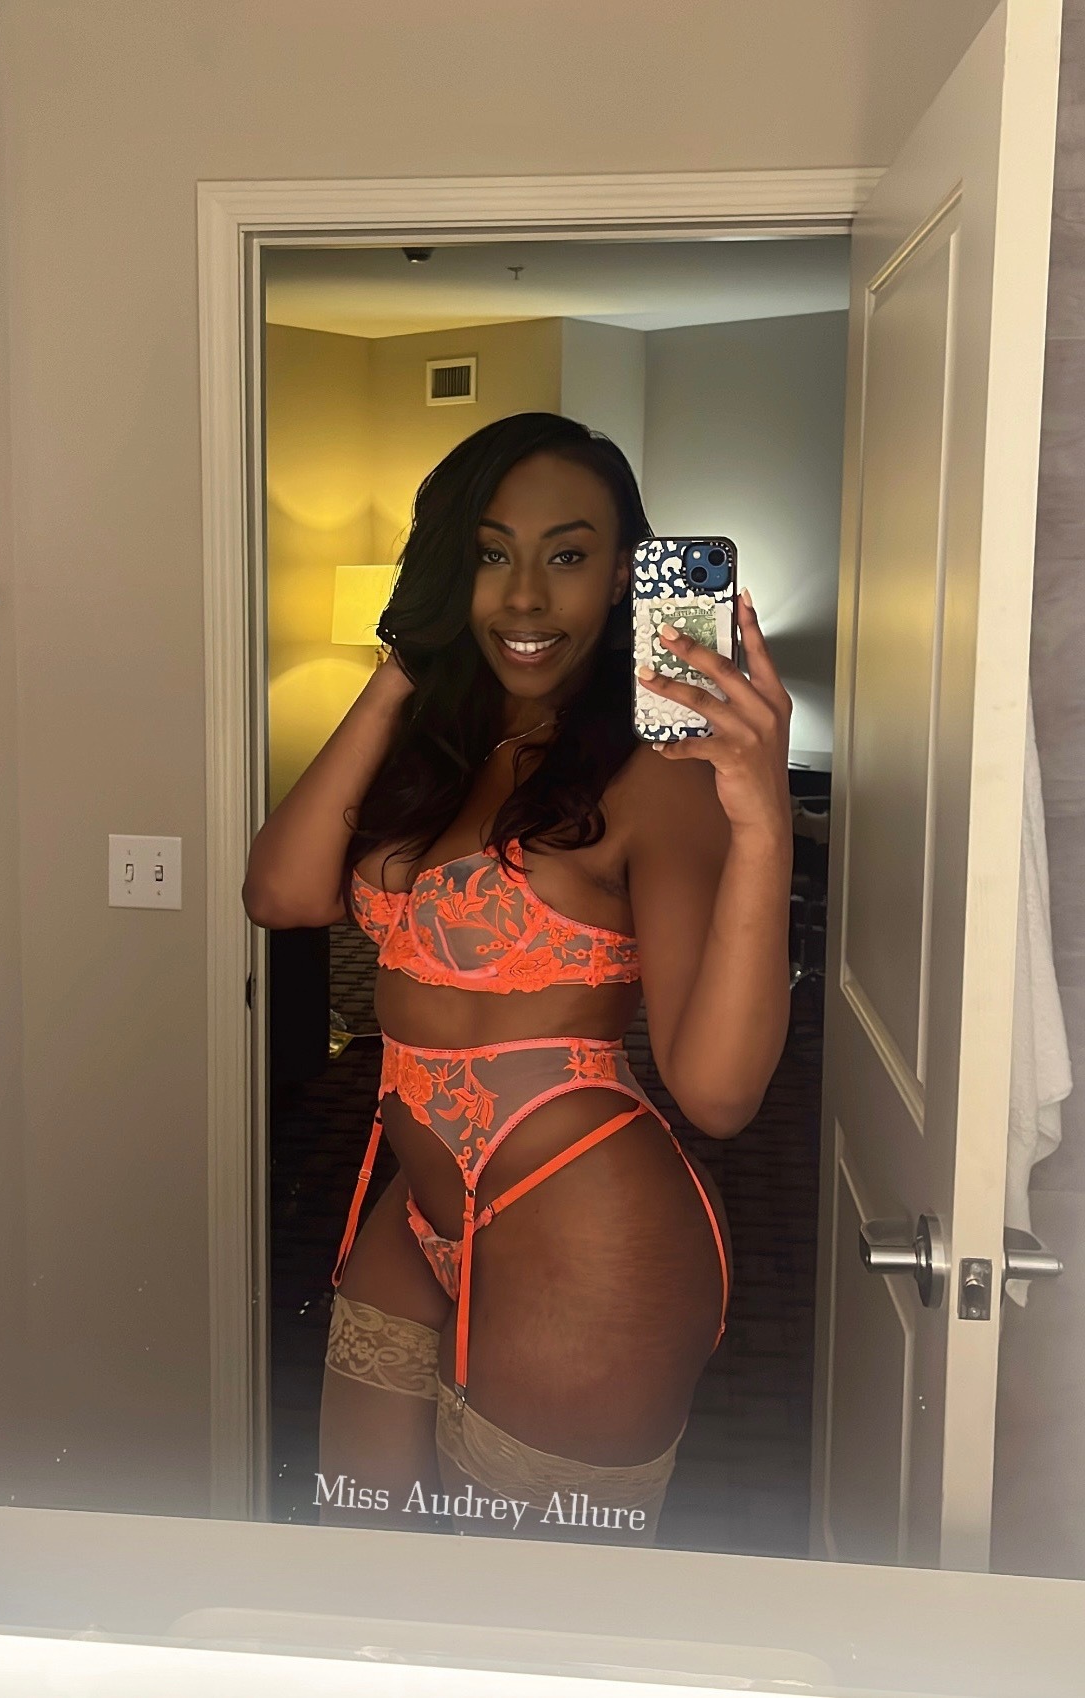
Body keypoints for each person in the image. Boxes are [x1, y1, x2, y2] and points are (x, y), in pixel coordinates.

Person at [243, 413, 793, 1543]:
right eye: (490, 555)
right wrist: (403, 666)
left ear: (624, 573)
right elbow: (282, 893)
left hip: (584, 1222)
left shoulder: (658, 775)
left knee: (532, 1607)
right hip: (415, 1207)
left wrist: (763, 818)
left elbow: (718, 1093)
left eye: (568, 555)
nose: (527, 597)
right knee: (362, 1555)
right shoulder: (439, 746)